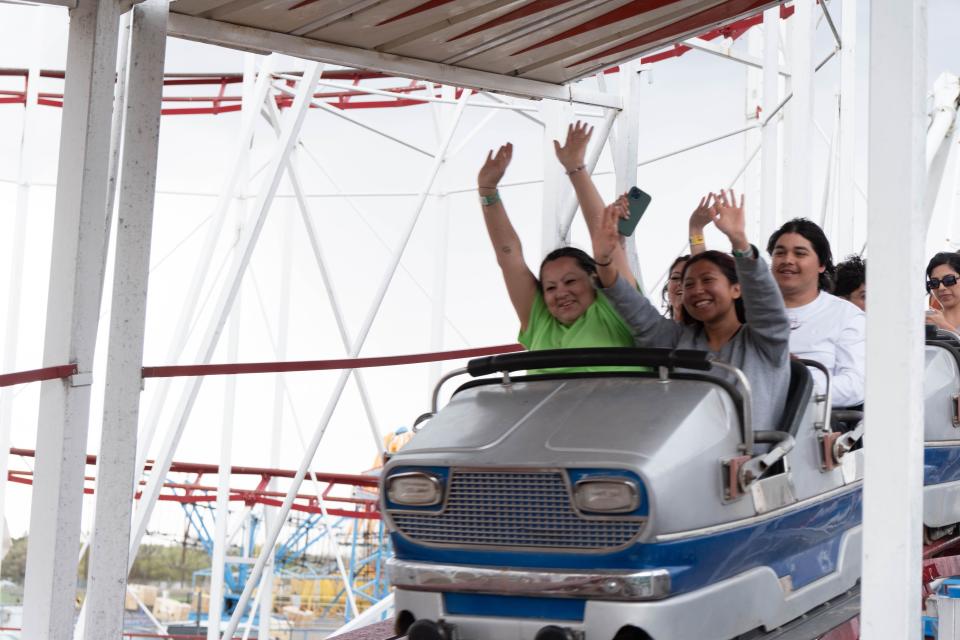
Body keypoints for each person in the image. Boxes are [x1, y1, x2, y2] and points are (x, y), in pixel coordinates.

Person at [590, 190, 791, 431]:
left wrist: (740, 242)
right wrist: (603, 260)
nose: (697, 291)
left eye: (707, 280)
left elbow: (765, 303)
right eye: (688, 285)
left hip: (749, 462)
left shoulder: (766, 341)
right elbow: (635, 310)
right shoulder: (679, 339)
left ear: (737, 289)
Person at [476, 139, 634, 373]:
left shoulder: (617, 309)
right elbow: (508, 255)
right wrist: (487, 191)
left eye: (570, 281)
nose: (561, 293)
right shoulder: (540, 320)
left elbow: (603, 236)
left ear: (594, 279)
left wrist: (575, 168)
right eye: (550, 288)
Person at [767, 219, 865, 408]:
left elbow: (856, 385)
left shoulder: (846, 316)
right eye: (780, 253)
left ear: (821, 264)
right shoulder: (751, 311)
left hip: (811, 420)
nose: (787, 260)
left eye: (799, 253)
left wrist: (796, 387)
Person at [925, 252, 960, 332]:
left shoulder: (938, 323)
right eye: (934, 283)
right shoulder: (925, 320)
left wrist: (945, 327)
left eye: (949, 280)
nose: (941, 288)